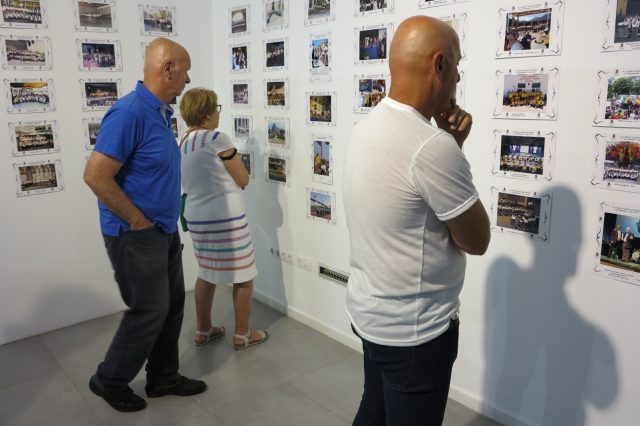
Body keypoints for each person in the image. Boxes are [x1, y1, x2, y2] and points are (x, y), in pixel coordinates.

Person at [343, 16, 490, 426]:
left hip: (371, 317)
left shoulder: (367, 126)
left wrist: (449, 145)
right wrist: (452, 147)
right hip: (416, 333)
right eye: (458, 65)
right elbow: (477, 240)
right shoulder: (430, 147)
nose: (459, 77)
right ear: (438, 65)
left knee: (374, 409)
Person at [83, 38, 206, 412]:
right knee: (150, 310)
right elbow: (96, 176)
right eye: (185, 68)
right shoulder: (130, 113)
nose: (188, 77)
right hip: (136, 234)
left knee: (170, 307)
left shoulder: (160, 112)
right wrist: (137, 221)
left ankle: (164, 377)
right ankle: (109, 380)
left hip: (163, 230)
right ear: (168, 68)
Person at [178, 88, 268, 350]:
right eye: (216, 108)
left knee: (206, 272)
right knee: (243, 274)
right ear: (207, 113)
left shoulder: (183, 139)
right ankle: (242, 335)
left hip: (195, 215)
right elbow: (242, 179)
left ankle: (203, 330)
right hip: (224, 217)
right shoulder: (217, 138)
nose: (218, 113)